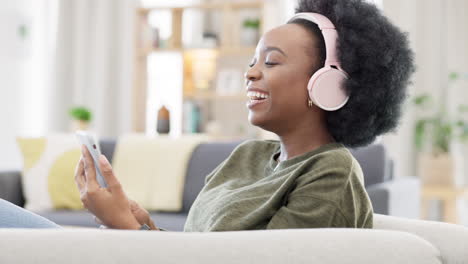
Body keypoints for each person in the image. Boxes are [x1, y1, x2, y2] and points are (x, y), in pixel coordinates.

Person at [0, 0, 414, 231]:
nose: (251, 72)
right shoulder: (247, 158)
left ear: (327, 85)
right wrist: (136, 221)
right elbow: (197, 256)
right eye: (253, 60)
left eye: (271, 62)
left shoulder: (331, 173)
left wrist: (124, 232)